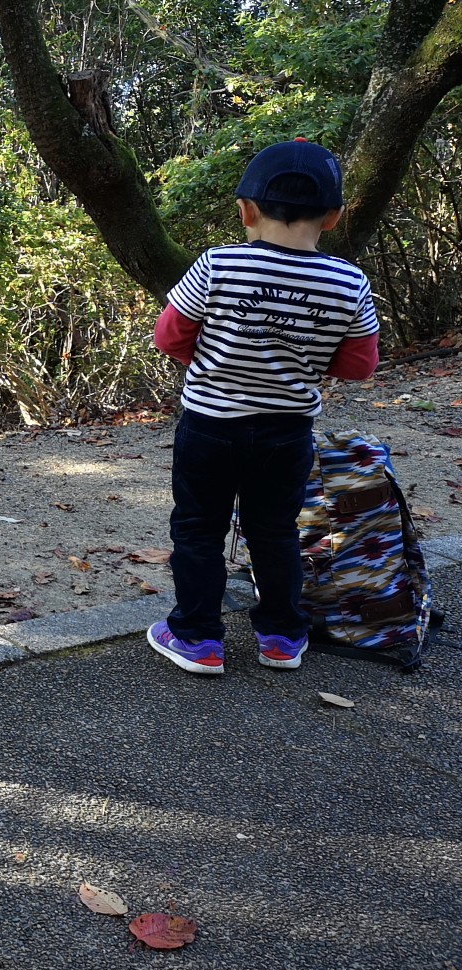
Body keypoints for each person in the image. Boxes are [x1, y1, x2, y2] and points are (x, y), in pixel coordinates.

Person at [147, 139, 379, 676]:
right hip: (286, 430)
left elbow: (170, 336)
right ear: (334, 216)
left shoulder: (218, 265)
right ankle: (281, 637)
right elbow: (360, 365)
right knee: (274, 530)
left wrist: (215, 357)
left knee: (198, 528)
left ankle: (198, 638)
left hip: (209, 424)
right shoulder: (349, 282)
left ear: (246, 210)